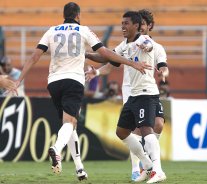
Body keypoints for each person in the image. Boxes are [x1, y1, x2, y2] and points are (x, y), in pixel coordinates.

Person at [12, 2, 151, 181]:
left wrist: (18, 80)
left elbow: (35, 56)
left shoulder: (52, 30)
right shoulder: (83, 30)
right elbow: (105, 53)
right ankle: (56, 148)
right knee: (69, 123)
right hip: (73, 81)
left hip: (54, 82)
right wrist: (132, 62)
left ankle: (79, 168)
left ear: (64, 15)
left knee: (70, 124)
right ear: (78, 15)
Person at [86, 11, 167, 183]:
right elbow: (105, 56)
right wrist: (85, 54)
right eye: (122, 23)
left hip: (146, 93)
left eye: (126, 23)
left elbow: (149, 45)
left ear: (136, 26)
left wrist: (147, 47)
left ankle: (158, 170)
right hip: (133, 96)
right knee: (121, 131)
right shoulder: (124, 45)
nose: (123, 26)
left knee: (147, 129)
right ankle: (146, 164)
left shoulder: (143, 40)